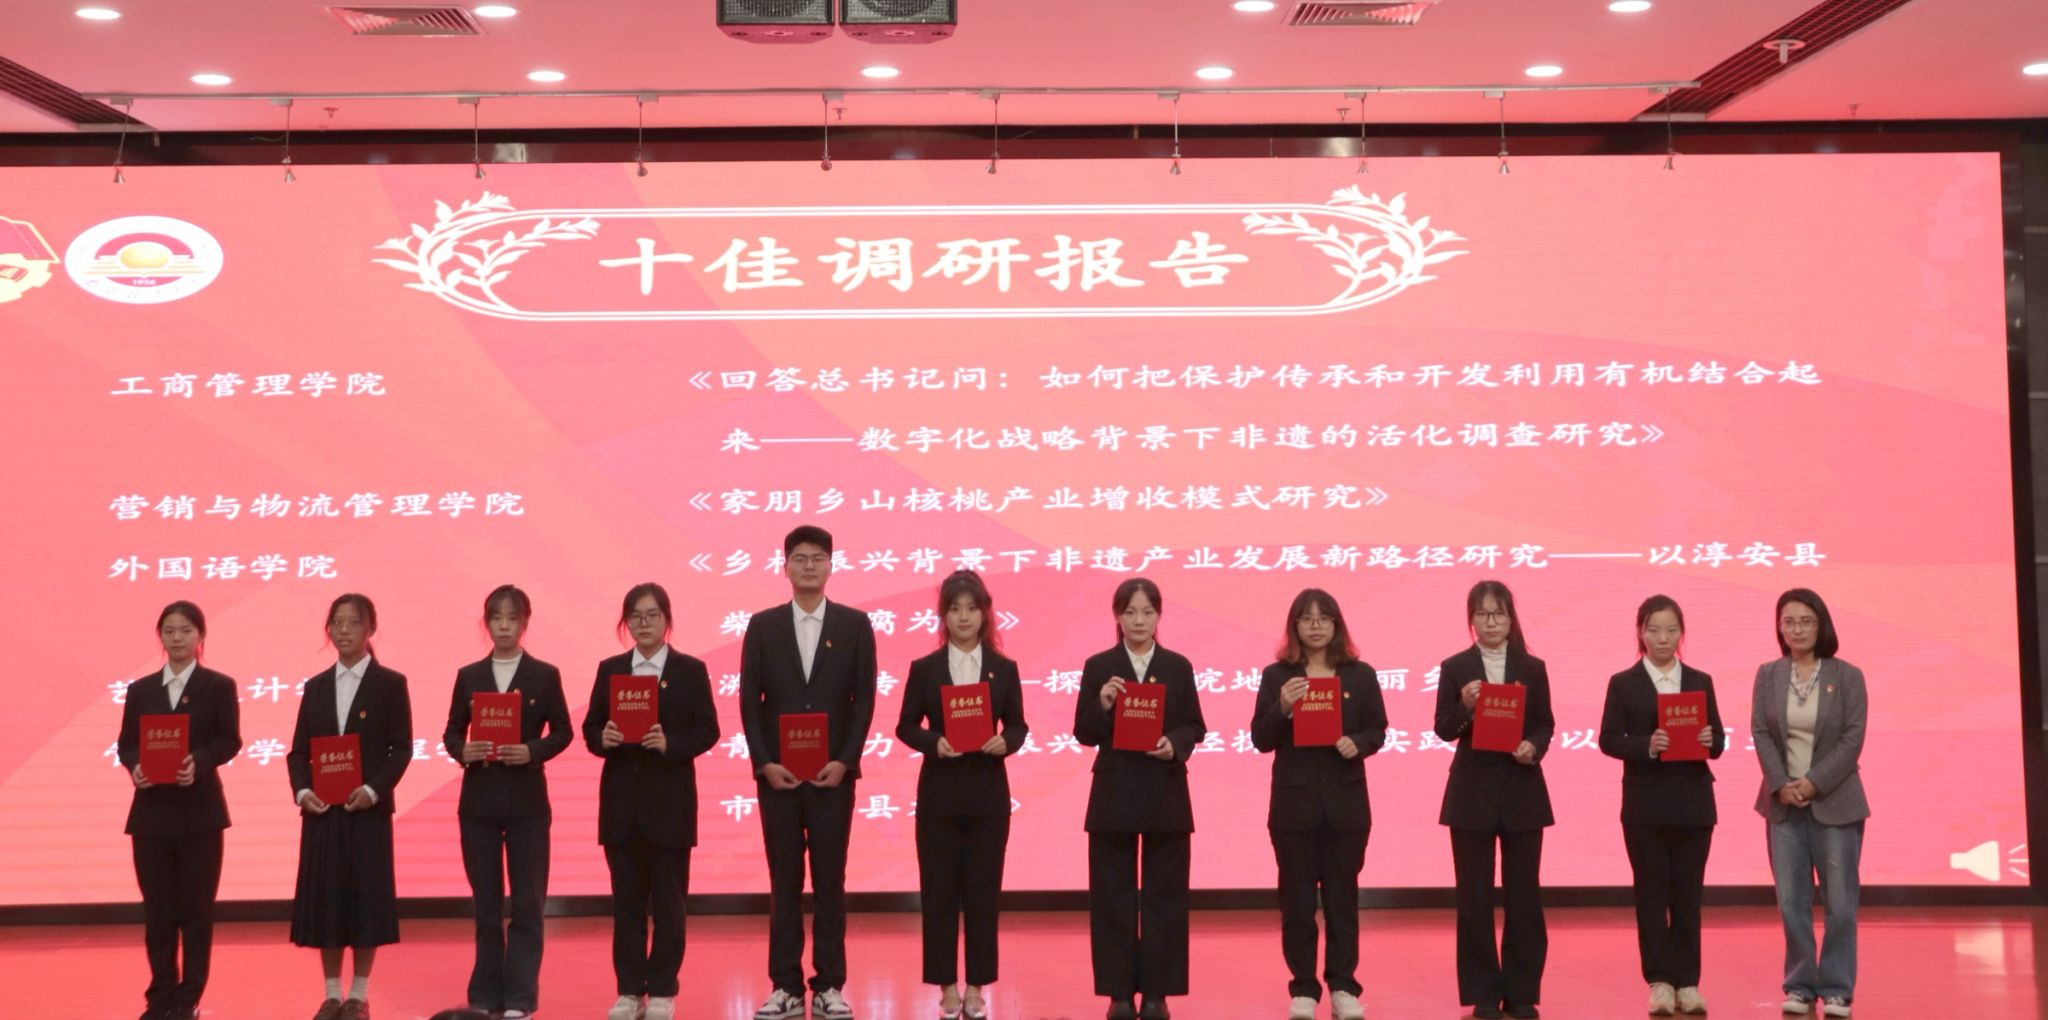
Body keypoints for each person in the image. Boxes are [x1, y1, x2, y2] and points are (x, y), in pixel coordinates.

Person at [740, 526, 878, 1020]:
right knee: (784, 882)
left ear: (831, 565)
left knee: (829, 881)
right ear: (785, 566)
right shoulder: (763, 626)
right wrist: (764, 763)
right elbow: (749, 701)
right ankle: (785, 985)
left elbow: (863, 700)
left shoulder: (855, 625)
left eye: (817, 558)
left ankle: (829, 985)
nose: (809, 567)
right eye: (799, 558)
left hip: (831, 778)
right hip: (778, 778)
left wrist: (845, 761)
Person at [894, 570, 1030, 1020]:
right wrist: (934, 742)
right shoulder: (925, 669)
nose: (964, 617)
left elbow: (1018, 725)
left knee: (983, 897)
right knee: (938, 896)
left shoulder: (1003, 669)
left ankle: (976, 987)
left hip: (988, 798)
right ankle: (947, 987)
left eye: (972, 608)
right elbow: (905, 725)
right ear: (943, 616)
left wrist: (1006, 741)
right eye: (955, 609)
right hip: (939, 798)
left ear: (985, 614)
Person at [583, 582, 721, 1020]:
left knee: (668, 907)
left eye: (652, 615)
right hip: (621, 807)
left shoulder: (689, 670)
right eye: (635, 617)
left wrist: (670, 743)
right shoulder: (611, 670)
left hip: (670, 808)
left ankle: (662, 990)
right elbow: (590, 728)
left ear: (667, 620)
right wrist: (603, 737)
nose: (644, 624)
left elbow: (708, 730)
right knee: (626, 907)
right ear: (626, 623)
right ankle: (629, 991)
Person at [1250, 589, 1388, 1020]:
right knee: (1296, 903)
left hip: (1346, 806)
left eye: (1323, 618)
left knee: (1342, 902)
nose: (1315, 626)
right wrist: (1283, 707)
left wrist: (1357, 743)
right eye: (1306, 618)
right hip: (1294, 808)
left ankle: (1344, 986)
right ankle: (1304, 988)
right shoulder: (1277, 676)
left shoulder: (1360, 676)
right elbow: (1260, 739)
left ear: (1336, 625)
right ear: (1294, 626)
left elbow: (1378, 731)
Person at [1074, 577, 1207, 1020]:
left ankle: (1156, 994)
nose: (1138, 621)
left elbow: (1195, 726)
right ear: (1117, 616)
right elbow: (1083, 732)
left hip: (1165, 791)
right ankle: (1117, 994)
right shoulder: (1099, 666)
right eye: (1130, 612)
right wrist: (1103, 703)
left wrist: (1174, 744)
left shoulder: (1177, 666)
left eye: (1147, 612)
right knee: (1112, 896)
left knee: (1164, 896)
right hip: (1114, 792)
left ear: (1158, 616)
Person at [442, 585, 573, 1020]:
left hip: (527, 805)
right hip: (479, 804)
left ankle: (520, 998)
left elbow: (563, 731)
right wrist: (464, 750)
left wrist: (532, 750)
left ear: (524, 623)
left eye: (512, 618)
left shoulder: (544, 675)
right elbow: (452, 732)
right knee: (486, 905)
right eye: (496, 618)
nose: (503, 626)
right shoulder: (469, 675)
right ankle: (483, 996)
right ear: (486, 623)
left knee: (528, 904)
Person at [286, 593, 413, 1020]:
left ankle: (358, 994)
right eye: (336, 623)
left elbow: (401, 748)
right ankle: (331, 994)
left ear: (370, 628)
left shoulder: (390, 684)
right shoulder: (316, 687)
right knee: (326, 901)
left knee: (365, 901)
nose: (343, 630)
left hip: (367, 812)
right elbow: (298, 752)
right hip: (323, 813)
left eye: (353, 622)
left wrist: (373, 790)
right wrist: (304, 792)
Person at [1597, 595, 1725, 1016]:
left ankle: (1688, 982)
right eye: (1654, 630)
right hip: (1645, 807)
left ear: (1681, 633)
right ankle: (1660, 982)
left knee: (1687, 895)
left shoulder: (1700, 680)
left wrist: (1708, 739)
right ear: (1641, 632)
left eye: (1671, 630)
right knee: (1651, 895)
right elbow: (1608, 739)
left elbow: (1719, 741)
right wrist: (1647, 745)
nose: (1663, 638)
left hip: (1693, 804)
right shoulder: (1623, 683)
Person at [1433, 580, 1554, 1020]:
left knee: (1524, 896)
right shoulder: (1455, 667)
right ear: (1471, 620)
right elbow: (1443, 728)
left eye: (1499, 613)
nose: (1491, 622)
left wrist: (1532, 747)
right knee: (1474, 897)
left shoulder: (1532, 667)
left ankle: (1521, 992)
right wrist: (1465, 707)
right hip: (1471, 795)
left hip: (1522, 792)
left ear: (1510, 618)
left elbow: (1544, 724)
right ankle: (1483, 993)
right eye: (1482, 614)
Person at [116, 601, 242, 1020]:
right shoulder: (141, 690)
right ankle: (160, 997)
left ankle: (188, 999)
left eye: (186, 630)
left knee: (196, 912)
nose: (177, 638)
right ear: (161, 636)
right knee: (158, 913)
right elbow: (127, 743)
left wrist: (199, 761)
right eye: (169, 630)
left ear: (200, 636)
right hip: (151, 816)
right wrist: (136, 766)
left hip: (200, 814)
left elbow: (229, 739)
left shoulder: (218, 686)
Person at [1752, 589, 1868, 1019]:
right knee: (1791, 901)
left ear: (1822, 625)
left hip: (1835, 803)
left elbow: (1852, 738)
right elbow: (1760, 733)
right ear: (1779, 627)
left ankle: (1837, 989)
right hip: (1782, 805)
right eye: (1789, 621)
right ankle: (1799, 985)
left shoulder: (1847, 675)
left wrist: (1813, 783)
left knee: (1840, 903)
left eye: (1806, 621)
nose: (1797, 629)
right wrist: (1781, 783)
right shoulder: (1768, 674)